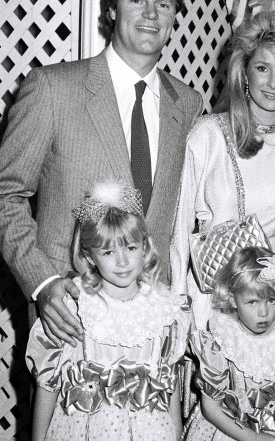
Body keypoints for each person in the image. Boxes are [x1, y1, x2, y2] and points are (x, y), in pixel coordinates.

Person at [0, 0, 202, 347]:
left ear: (174, 14)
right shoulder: (53, 89)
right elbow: (5, 193)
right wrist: (43, 282)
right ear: (112, 9)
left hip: (154, 321)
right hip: (70, 316)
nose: (150, 14)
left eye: (163, 4)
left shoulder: (189, 104)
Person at [170, 11, 275, 329]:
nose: (273, 83)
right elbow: (179, 227)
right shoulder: (208, 135)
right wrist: (180, 301)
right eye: (262, 68)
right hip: (217, 294)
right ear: (244, 73)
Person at [26, 179, 191, 441]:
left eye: (131, 247)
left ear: (144, 247)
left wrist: (176, 432)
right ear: (90, 256)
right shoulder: (77, 306)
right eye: (108, 252)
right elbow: (48, 384)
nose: (122, 261)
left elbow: (168, 383)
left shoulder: (164, 308)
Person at [184, 246, 275, 441]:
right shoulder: (221, 343)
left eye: (271, 300)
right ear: (233, 300)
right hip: (233, 430)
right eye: (252, 302)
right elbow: (211, 409)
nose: (263, 312)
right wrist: (255, 438)